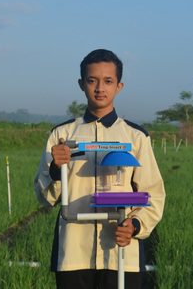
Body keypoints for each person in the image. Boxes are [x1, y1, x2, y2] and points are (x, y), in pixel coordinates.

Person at [34, 49, 165, 288]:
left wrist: (135, 226)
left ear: (119, 86)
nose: (99, 88)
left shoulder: (136, 137)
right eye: (92, 80)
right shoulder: (62, 135)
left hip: (121, 253)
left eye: (108, 81)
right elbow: (44, 198)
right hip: (73, 254)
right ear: (81, 84)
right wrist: (56, 169)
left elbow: (154, 193)